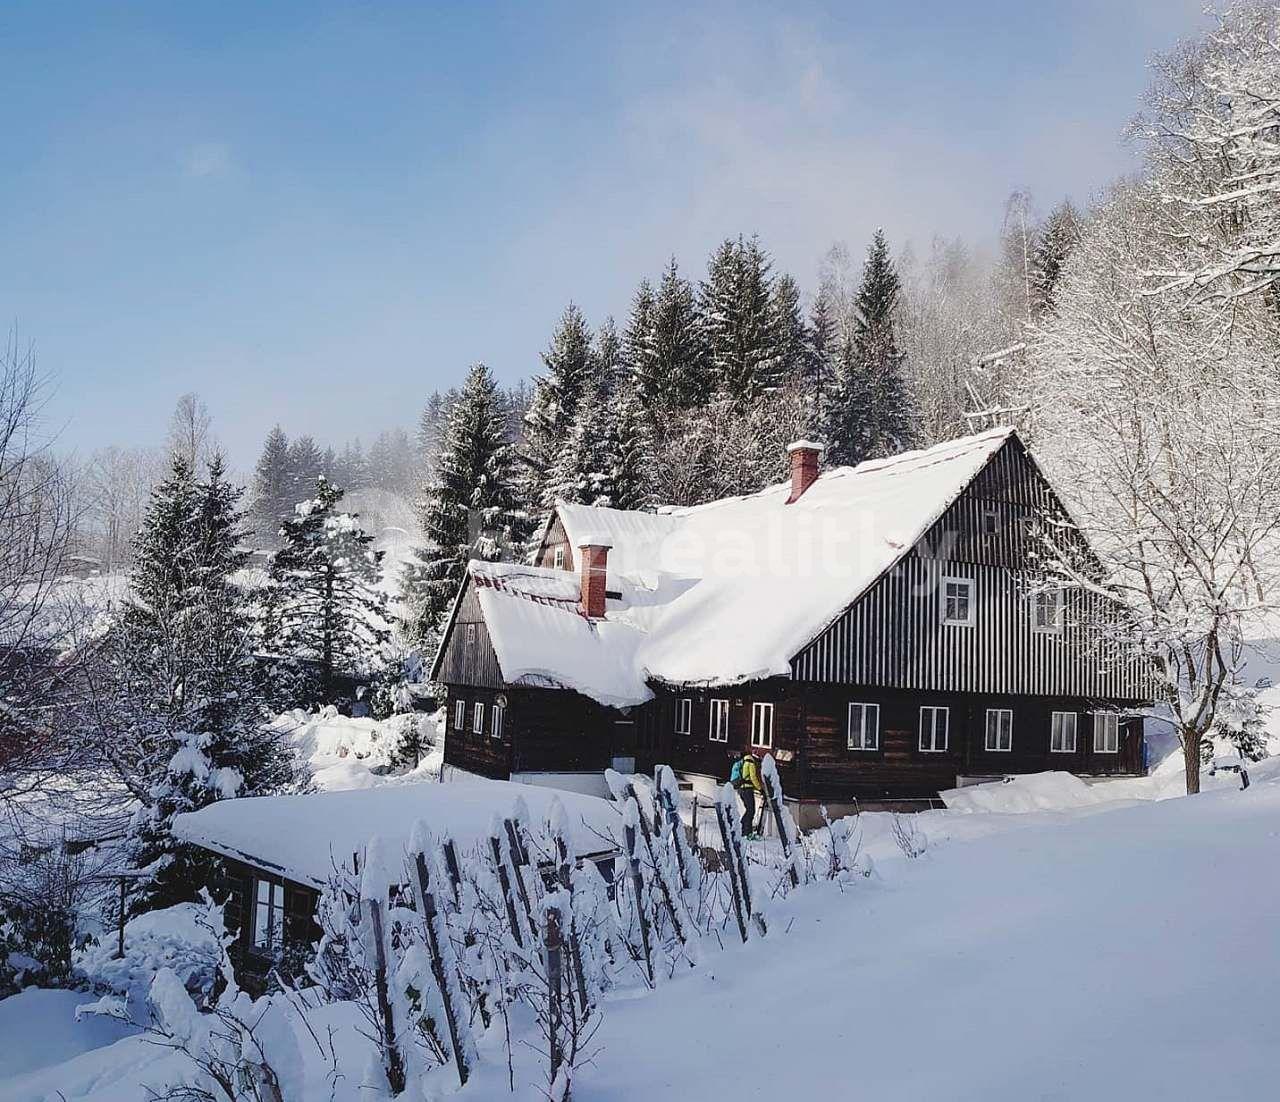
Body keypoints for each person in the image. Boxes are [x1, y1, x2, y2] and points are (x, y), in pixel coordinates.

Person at [730, 749, 764, 839]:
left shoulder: (745, 760)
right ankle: (745, 832)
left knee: (749, 810)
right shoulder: (750, 762)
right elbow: (753, 777)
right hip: (747, 789)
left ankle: (742, 830)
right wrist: (760, 789)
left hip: (742, 789)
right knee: (750, 810)